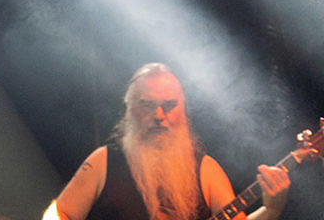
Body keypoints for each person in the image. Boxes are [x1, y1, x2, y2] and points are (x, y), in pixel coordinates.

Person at [54, 63, 290, 220]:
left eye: (169, 105)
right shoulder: (103, 161)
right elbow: (59, 215)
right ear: (130, 108)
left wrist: (271, 209)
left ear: (183, 109)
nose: (159, 115)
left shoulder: (206, 170)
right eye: (148, 104)